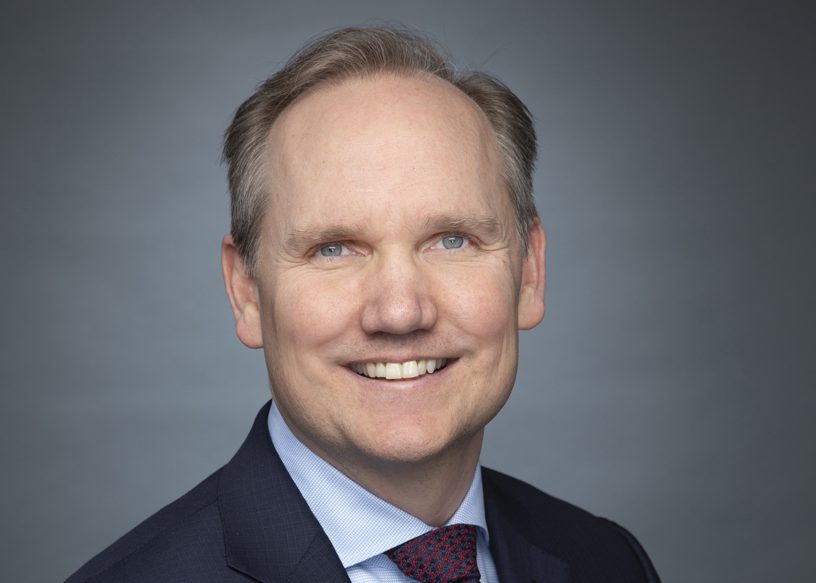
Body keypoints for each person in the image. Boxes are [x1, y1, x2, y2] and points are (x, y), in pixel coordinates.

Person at [67, 26, 660, 583]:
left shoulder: (606, 561)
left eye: (452, 240)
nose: (400, 313)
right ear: (246, 291)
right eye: (333, 249)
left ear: (528, 272)